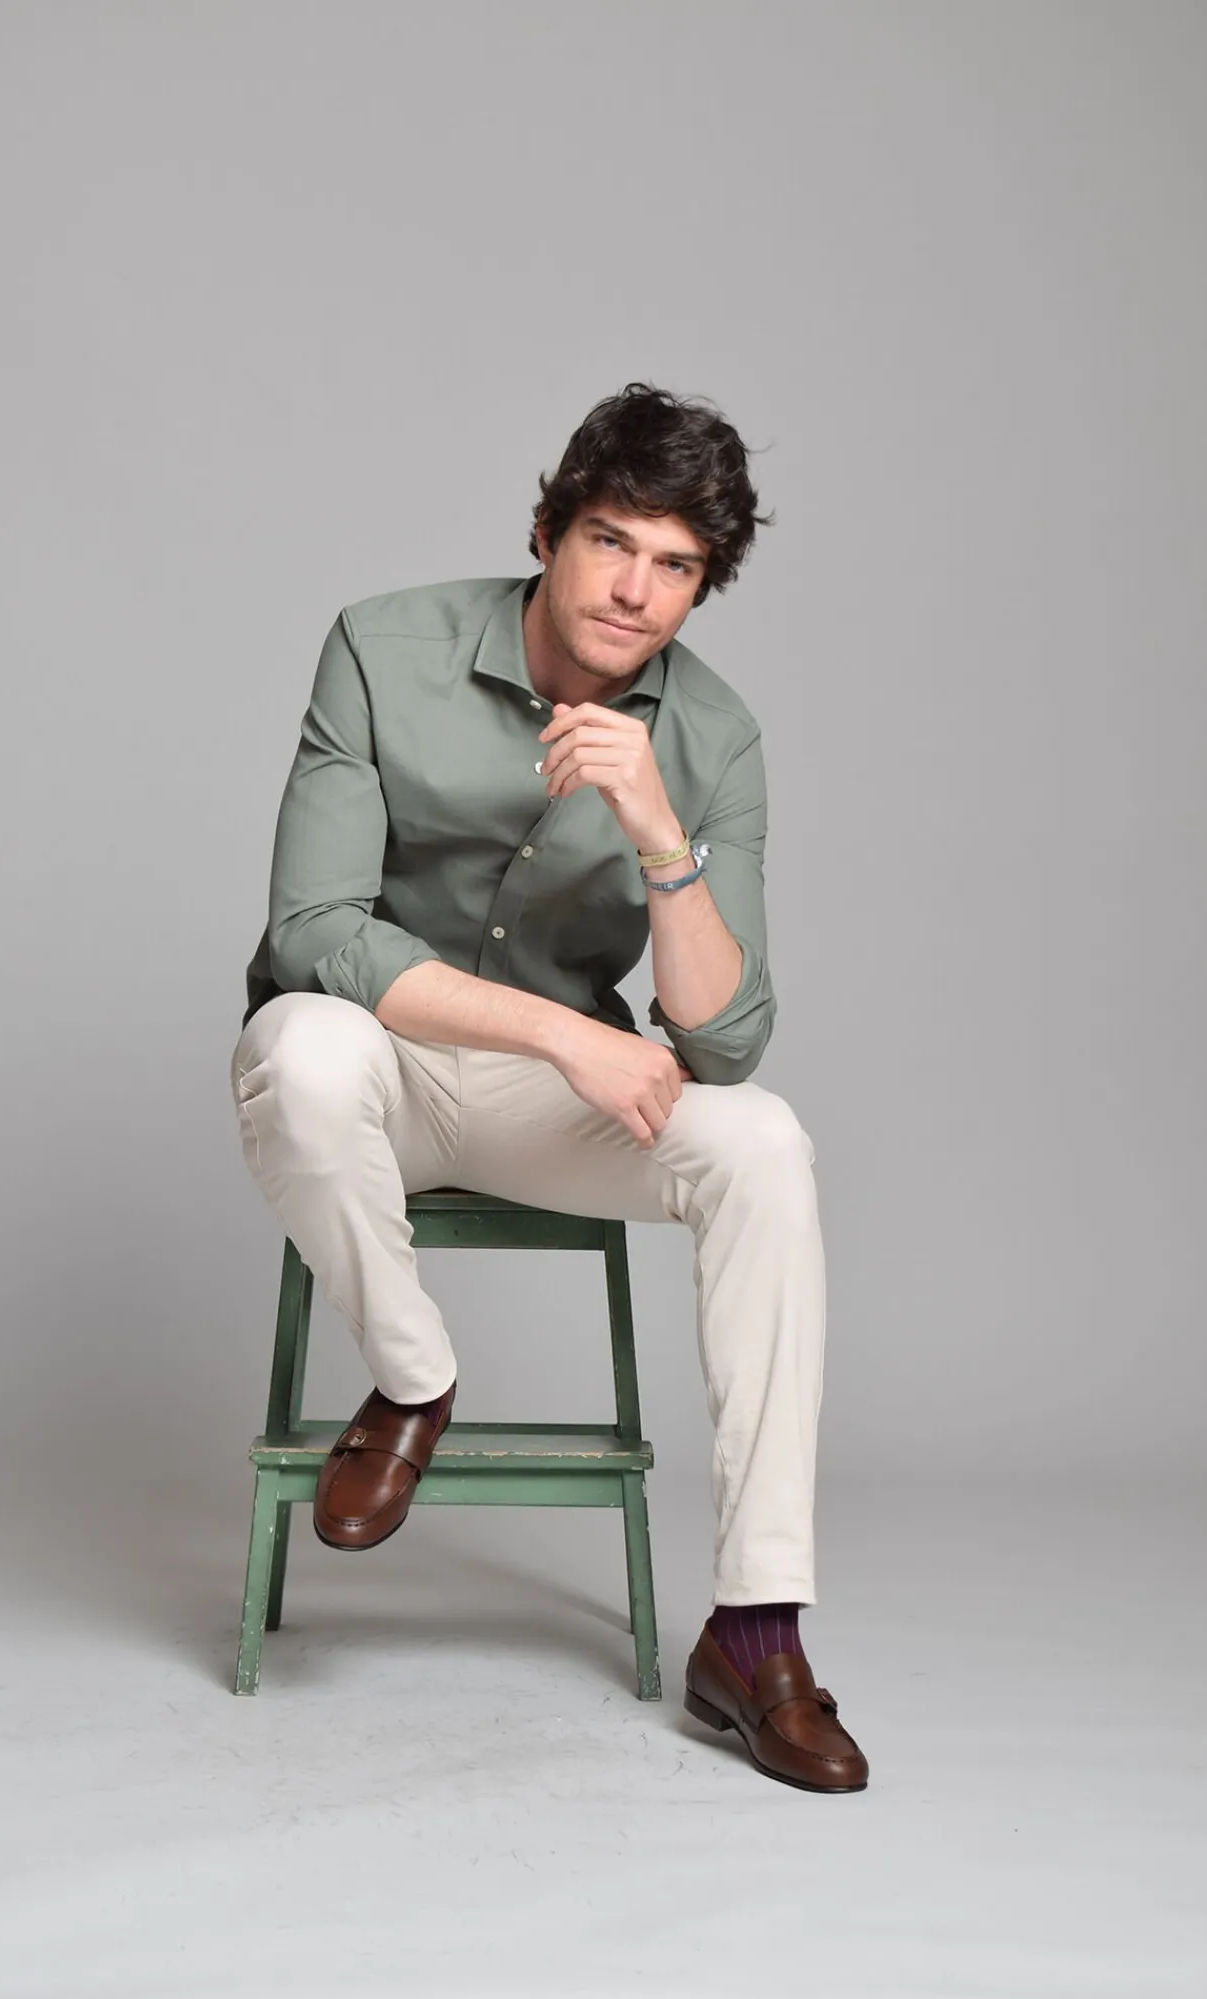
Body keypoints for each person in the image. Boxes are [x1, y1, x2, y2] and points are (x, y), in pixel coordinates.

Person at [229, 381, 868, 1794]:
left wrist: (660, 835)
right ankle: (415, 1381)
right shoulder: (381, 647)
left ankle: (758, 1631)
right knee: (300, 1045)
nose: (635, 590)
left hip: (548, 1116)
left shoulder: (715, 740)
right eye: (610, 542)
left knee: (765, 1144)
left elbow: (726, 1042)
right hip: (380, 1069)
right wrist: (564, 1035)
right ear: (547, 532)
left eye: (674, 566)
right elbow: (315, 931)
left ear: (702, 586)